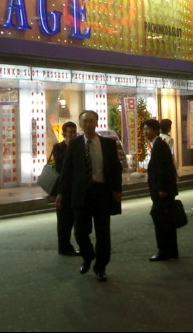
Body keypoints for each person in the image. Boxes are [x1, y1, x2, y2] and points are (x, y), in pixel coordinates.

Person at [56, 110, 122, 282]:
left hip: (101, 192)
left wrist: (116, 190)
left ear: (96, 123)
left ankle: (100, 267)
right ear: (80, 124)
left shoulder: (108, 144)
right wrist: (61, 193)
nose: (88, 124)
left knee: (103, 233)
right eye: (84, 121)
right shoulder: (75, 143)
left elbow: (115, 168)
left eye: (91, 121)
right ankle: (88, 256)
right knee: (80, 232)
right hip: (81, 194)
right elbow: (67, 170)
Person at [144, 119, 179, 261]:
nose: (145, 132)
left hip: (162, 192)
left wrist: (162, 188)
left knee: (161, 221)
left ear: (156, 130)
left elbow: (163, 169)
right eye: (144, 129)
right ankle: (171, 251)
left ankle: (163, 251)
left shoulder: (159, 145)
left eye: (148, 129)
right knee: (167, 221)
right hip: (163, 190)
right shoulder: (158, 145)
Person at [50, 121, 79, 256]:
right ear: (64, 134)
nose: (73, 135)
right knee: (63, 221)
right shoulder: (58, 147)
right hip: (62, 190)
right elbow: (62, 167)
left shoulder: (80, 146)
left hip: (77, 190)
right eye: (70, 133)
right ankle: (64, 247)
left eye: (74, 132)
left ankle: (72, 246)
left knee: (76, 220)